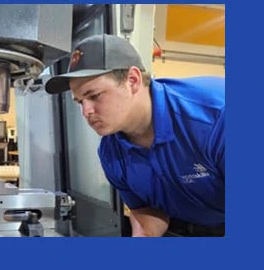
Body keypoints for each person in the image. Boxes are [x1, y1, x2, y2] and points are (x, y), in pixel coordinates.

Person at [44, 34, 224, 237]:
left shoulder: (214, 117)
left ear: (133, 80)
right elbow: (147, 211)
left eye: (94, 96)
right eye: (79, 102)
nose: (86, 111)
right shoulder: (111, 154)